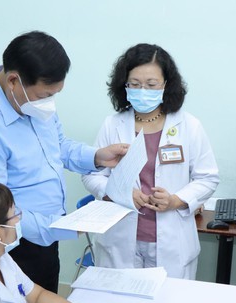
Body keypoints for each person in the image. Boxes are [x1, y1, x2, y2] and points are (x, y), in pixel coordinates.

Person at [0, 31, 127, 303]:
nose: (50, 101)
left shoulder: (34, 102)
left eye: (54, 93)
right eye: (45, 93)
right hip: (10, 246)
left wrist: (95, 156)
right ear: (13, 81)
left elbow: (58, 146)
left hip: (46, 236)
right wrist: (63, 227)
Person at [82, 43, 219, 279]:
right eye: (134, 84)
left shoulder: (188, 126)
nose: (142, 90)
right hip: (120, 237)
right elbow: (92, 174)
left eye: (151, 84)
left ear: (166, 84)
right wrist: (116, 192)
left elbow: (207, 177)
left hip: (171, 240)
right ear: (124, 85)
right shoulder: (112, 125)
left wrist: (177, 200)